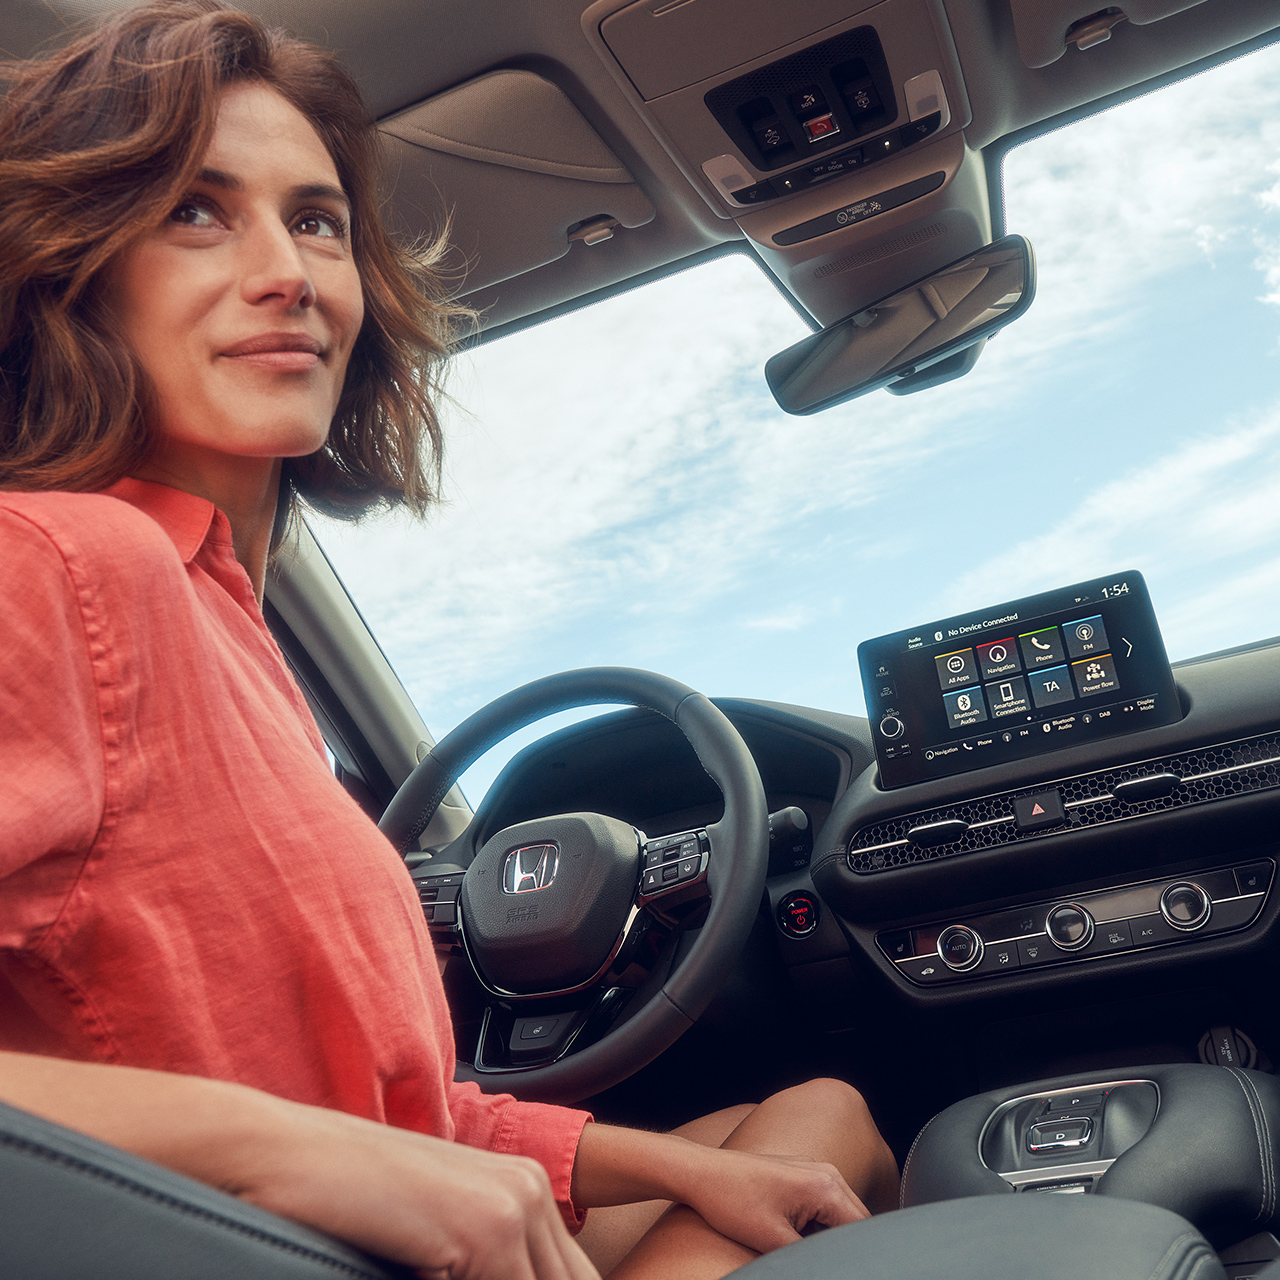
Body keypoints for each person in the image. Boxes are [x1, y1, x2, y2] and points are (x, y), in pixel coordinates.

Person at [0, 4, 899, 1277]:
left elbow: (413, 1122)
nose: (290, 274)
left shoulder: (227, 635)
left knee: (813, 1132)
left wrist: (678, 1167)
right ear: (70, 264)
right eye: (194, 212)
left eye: (314, 219)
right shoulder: (59, 563)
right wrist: (290, 1153)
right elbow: (346, 1146)